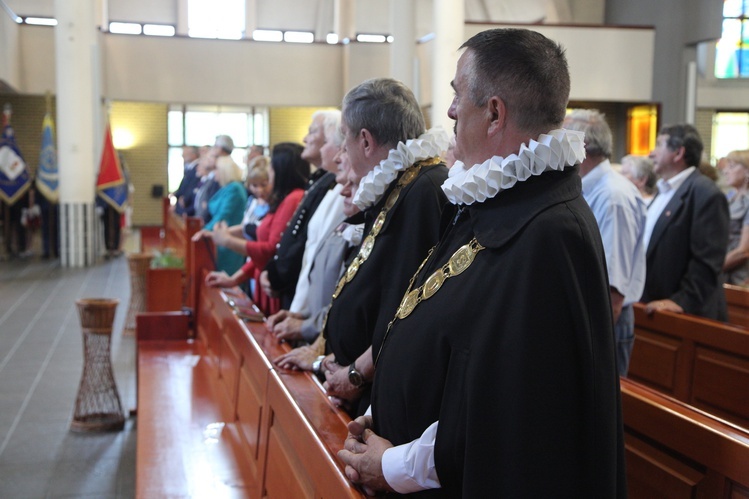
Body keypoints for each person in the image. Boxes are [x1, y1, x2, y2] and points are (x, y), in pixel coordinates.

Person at [338, 28, 626, 497]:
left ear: (494, 113)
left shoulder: (552, 233)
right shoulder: (498, 200)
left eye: (456, 95)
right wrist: (386, 407)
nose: (449, 111)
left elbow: (512, 421)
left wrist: (392, 465)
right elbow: (456, 343)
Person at [275, 78, 451, 418]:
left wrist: (356, 373)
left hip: (381, 396)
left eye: (345, 139)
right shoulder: (400, 183)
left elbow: (406, 310)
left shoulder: (423, 189)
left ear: (366, 141)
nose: (343, 154)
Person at [564, 109, 646, 377]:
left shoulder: (613, 197)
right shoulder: (589, 187)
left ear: (581, 145)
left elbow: (613, 291)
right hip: (592, 318)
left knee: (604, 409)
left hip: (607, 324)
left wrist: (589, 345)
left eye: (560, 137)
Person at [267, 146, 362, 344]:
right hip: (316, 324)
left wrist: (308, 323)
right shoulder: (329, 187)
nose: (343, 191)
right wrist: (302, 314)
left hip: (333, 340)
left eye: (352, 184)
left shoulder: (357, 220)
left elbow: (353, 306)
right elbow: (315, 263)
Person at [202, 142, 308, 315]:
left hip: (271, 284)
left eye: (271, 172)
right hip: (260, 278)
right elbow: (257, 238)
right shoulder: (283, 199)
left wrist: (226, 240)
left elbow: (270, 250)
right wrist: (234, 279)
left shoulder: (292, 198)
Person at [642, 124, 730, 320]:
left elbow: (708, 261)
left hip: (686, 314)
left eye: (659, 145)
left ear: (678, 152)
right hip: (653, 304)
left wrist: (680, 302)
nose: (651, 153)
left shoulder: (705, 193)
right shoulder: (664, 190)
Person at [259, 111, 343, 309]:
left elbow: (308, 243)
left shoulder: (335, 183)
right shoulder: (322, 180)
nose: (305, 139)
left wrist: (278, 275)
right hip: (296, 293)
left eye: (312, 132)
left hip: (308, 300)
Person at [193, 155, 247, 275]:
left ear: (224, 171)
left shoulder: (235, 189)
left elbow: (222, 215)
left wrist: (204, 230)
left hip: (229, 239)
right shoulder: (227, 187)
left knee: (226, 277)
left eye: (216, 169)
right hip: (220, 237)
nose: (214, 172)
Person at [722, 149, 749, 285]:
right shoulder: (729, 197)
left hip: (739, 279)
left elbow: (743, 252)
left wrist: (711, 268)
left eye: (731, 166)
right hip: (722, 275)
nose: (725, 171)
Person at [193, 146, 220, 223]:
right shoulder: (208, 178)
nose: (208, 159)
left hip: (208, 221)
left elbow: (209, 204)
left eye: (212, 156)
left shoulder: (216, 179)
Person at [172, 145, 201, 216]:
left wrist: (185, 199)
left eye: (185, 153)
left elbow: (193, 186)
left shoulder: (197, 168)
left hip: (187, 205)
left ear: (193, 155)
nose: (182, 155)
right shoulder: (189, 168)